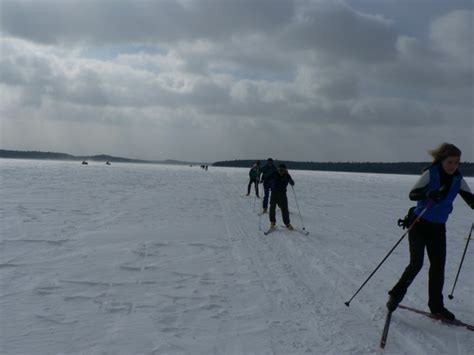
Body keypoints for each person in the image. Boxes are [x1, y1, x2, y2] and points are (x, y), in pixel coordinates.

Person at [386, 143, 474, 320]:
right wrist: (428, 194)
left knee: (438, 267)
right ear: (442, 160)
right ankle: (395, 296)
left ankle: (436, 307)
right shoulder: (430, 173)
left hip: (438, 229)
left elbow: (471, 199)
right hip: (419, 224)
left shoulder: (458, 179)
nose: (454, 166)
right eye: (450, 162)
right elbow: (412, 194)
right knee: (416, 264)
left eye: (457, 163)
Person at [269, 163, 295, 230]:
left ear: (285, 170)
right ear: (278, 170)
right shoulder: (274, 174)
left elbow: (292, 183)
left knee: (285, 209)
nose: (281, 171)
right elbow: (269, 180)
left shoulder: (287, 176)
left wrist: (288, 176)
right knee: (272, 208)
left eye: (282, 170)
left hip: (283, 194)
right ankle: (272, 222)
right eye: (280, 170)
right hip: (274, 194)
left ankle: (287, 223)